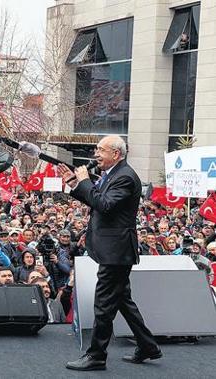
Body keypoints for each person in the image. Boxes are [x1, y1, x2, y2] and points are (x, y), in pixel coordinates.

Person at [58, 135, 161, 370]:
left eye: (100, 150)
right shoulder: (113, 174)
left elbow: (104, 205)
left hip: (117, 251)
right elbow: (97, 200)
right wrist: (76, 184)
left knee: (104, 305)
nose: (96, 154)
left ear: (116, 153)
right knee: (123, 300)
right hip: (114, 250)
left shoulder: (124, 176)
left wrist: (84, 181)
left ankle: (96, 355)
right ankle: (148, 346)